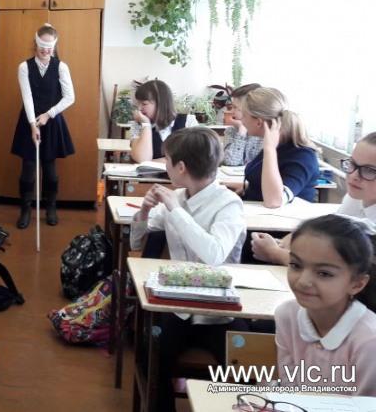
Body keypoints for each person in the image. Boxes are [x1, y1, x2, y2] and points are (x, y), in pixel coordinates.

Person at [131, 127, 247, 412]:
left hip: (220, 313)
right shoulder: (179, 197)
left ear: (181, 167)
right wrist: (144, 212)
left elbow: (214, 255)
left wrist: (175, 210)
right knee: (148, 353)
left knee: (245, 367)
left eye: (167, 161)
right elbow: (135, 240)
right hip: (179, 307)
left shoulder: (228, 204)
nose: (165, 166)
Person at [275, 214, 376, 396]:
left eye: (324, 273)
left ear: (357, 284)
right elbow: (289, 390)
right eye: (296, 265)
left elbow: (366, 406)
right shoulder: (287, 315)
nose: (303, 281)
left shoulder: (369, 340)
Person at [252, 132, 376, 266]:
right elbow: (330, 236)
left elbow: (336, 267)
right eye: (352, 164)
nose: (354, 175)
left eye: (369, 170)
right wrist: (283, 244)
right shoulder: (354, 198)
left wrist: (274, 253)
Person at [10, 23, 75, 228]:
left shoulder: (61, 67)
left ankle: (51, 207)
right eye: (42, 46)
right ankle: (25, 210)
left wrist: (48, 115)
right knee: (28, 169)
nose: (46, 50)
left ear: (54, 46)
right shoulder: (24, 67)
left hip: (51, 121)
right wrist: (33, 125)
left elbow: (70, 97)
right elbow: (27, 97)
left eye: (49, 47)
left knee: (50, 169)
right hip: (29, 121)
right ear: (35, 44)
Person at [240, 87, 319, 207]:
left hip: (281, 218)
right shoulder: (277, 146)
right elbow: (260, 183)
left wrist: (269, 149)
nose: (241, 120)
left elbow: (275, 201)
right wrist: (243, 189)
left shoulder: (303, 156)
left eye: (244, 115)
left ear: (259, 122)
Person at [129, 79, 198, 163]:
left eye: (144, 104)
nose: (139, 108)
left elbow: (195, 158)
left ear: (160, 103)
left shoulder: (188, 122)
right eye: (138, 104)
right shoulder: (139, 124)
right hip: (150, 172)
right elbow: (142, 160)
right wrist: (146, 125)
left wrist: (155, 162)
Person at [222, 83, 263, 166]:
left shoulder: (265, 134)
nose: (232, 111)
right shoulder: (231, 131)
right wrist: (241, 131)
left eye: (235, 107)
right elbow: (230, 162)